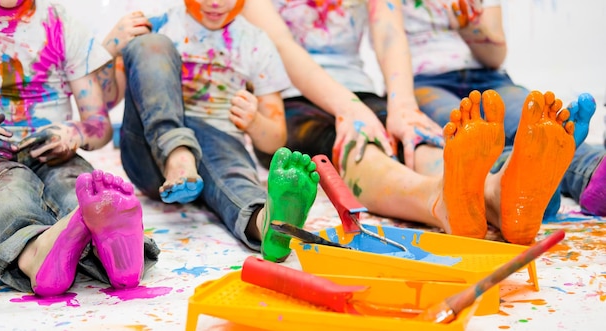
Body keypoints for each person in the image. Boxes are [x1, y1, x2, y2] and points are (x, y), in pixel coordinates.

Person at [241, 0, 587, 245]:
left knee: (416, 141)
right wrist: (350, 109)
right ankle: (438, 202)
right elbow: (282, 47)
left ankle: (496, 196)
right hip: (288, 100)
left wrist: (403, 108)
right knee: (362, 147)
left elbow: (389, 35)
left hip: (358, 91)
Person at [109, 0, 320, 263]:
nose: (215, 3)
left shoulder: (255, 42)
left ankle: (269, 222)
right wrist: (110, 51)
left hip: (218, 145)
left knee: (233, 177)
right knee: (149, 44)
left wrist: (254, 122)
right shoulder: (156, 25)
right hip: (150, 155)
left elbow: (275, 139)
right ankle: (177, 152)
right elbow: (106, 102)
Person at [0, 0, 158, 296]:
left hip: (55, 152)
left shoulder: (63, 24)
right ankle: (36, 256)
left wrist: (73, 133)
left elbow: (98, 123)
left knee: (78, 187)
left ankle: (110, 249)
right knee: (10, 192)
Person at [401, 0, 605, 218]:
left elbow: (495, 57)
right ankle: (522, 183)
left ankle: (593, 173)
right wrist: (401, 103)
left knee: (540, 126)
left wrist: (469, 26)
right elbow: (391, 40)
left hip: (490, 77)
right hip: (424, 83)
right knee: (470, 138)